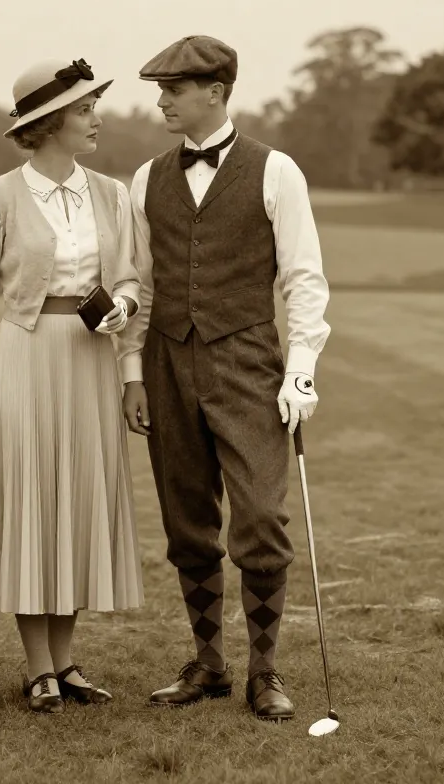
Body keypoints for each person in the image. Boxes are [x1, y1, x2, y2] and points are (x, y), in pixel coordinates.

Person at [0, 57, 145, 715]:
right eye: (83, 109)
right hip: (23, 357)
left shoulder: (113, 194)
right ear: (46, 124)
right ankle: (38, 670)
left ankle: (67, 665)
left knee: (74, 506)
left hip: (91, 363)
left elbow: (130, 281)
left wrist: (126, 337)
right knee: (28, 505)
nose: (96, 118)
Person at [116, 35, 331, 722]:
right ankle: (208, 663)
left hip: (247, 363)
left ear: (215, 90)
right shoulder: (146, 179)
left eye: (174, 89)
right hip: (166, 362)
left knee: (262, 520)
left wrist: (300, 373)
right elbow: (140, 288)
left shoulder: (276, 172)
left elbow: (303, 280)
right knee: (187, 523)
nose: (161, 101)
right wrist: (132, 373)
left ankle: (264, 672)